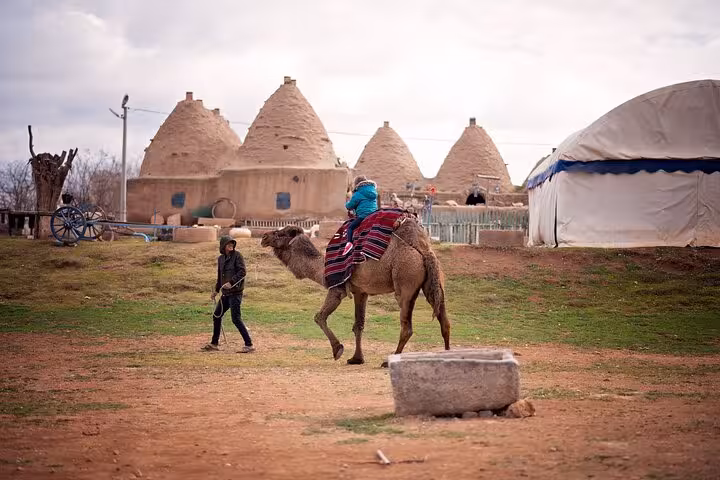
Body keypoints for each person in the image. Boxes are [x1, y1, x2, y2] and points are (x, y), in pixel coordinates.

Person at [201, 235, 254, 353]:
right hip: (225, 293)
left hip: (235, 293)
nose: (231, 245)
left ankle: (249, 344)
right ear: (223, 246)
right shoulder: (220, 259)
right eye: (228, 244)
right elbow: (220, 277)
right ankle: (214, 343)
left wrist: (231, 283)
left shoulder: (237, 256)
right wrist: (216, 290)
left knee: (235, 319)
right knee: (216, 315)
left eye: (232, 244)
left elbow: (242, 272)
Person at [344, 175, 378, 255]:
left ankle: (349, 243)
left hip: (363, 215)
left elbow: (350, 206)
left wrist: (346, 203)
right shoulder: (373, 191)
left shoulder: (358, 193)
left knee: (350, 227)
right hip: (374, 214)